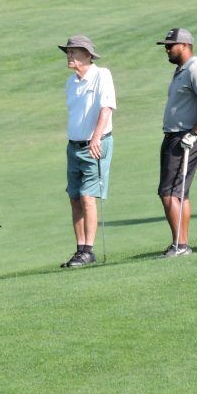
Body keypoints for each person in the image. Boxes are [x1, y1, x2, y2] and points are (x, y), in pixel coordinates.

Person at [156, 27, 197, 256]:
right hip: (174, 136)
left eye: (170, 45)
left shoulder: (195, 70)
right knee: (179, 193)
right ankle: (181, 243)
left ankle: (180, 245)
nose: (166, 49)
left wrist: (194, 132)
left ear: (184, 45)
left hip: (184, 137)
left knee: (169, 192)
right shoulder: (181, 71)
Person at [59, 35, 116, 268]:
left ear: (88, 55)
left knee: (87, 197)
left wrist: (96, 138)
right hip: (73, 147)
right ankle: (80, 249)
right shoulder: (70, 83)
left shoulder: (102, 75)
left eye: (73, 51)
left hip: (95, 145)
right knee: (74, 198)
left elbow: (107, 108)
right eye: (68, 52)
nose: (69, 56)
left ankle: (89, 250)